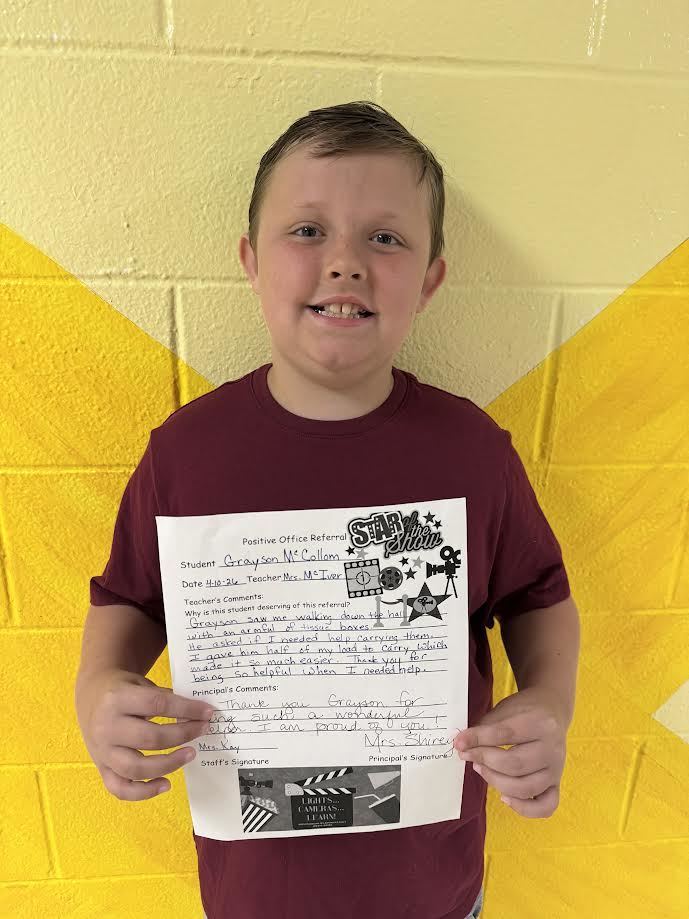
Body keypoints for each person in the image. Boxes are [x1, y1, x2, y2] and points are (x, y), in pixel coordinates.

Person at [75, 100, 580, 919]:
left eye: (384, 237)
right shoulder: (186, 452)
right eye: (306, 230)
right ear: (249, 261)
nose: (344, 262)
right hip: (250, 896)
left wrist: (548, 700)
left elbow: (538, 596)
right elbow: (128, 596)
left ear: (431, 277)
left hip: (435, 891)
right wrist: (97, 687)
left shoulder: (472, 452)